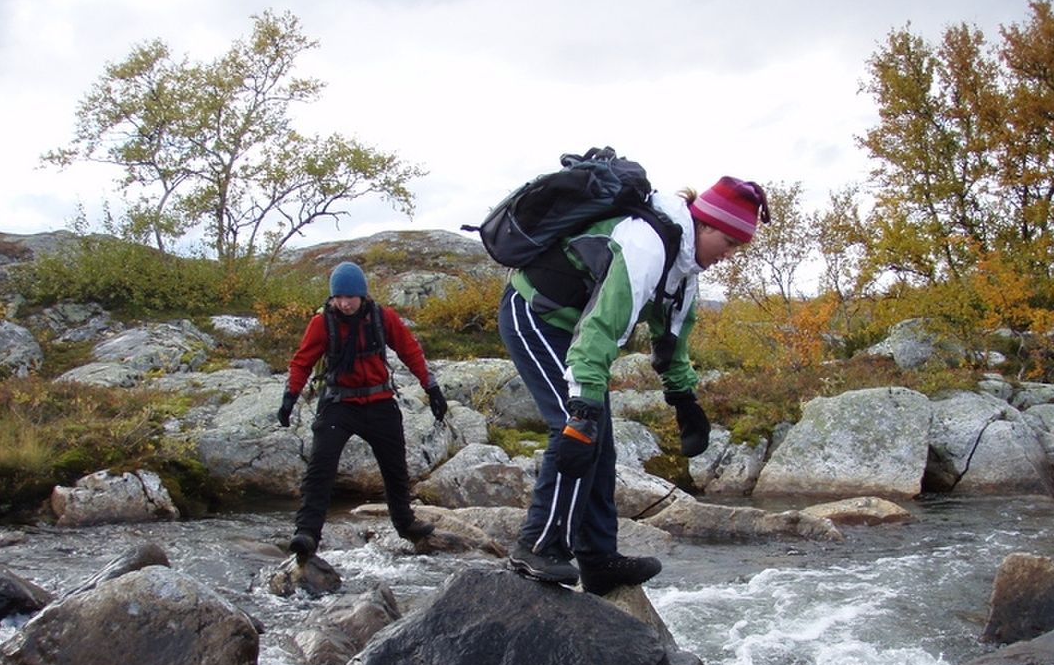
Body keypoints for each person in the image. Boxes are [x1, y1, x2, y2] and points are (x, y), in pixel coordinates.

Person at [498, 175, 769, 595]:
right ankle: (536, 546)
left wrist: (684, 398)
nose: (730, 255)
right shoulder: (645, 246)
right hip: (535, 314)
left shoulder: (683, 267)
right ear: (707, 225)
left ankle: (598, 559)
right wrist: (583, 408)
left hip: (573, 330)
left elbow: (672, 338)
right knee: (577, 431)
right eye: (730, 243)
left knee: (601, 442)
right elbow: (602, 329)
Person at [278, 261, 448, 559]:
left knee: (395, 469)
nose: (344, 303)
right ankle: (306, 533)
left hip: (379, 401)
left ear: (363, 296)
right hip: (339, 404)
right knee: (321, 466)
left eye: (350, 297)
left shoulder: (383, 318)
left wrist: (431, 388)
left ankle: (405, 523)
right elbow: (302, 362)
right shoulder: (322, 323)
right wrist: (290, 396)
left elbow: (410, 350)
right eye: (338, 297)